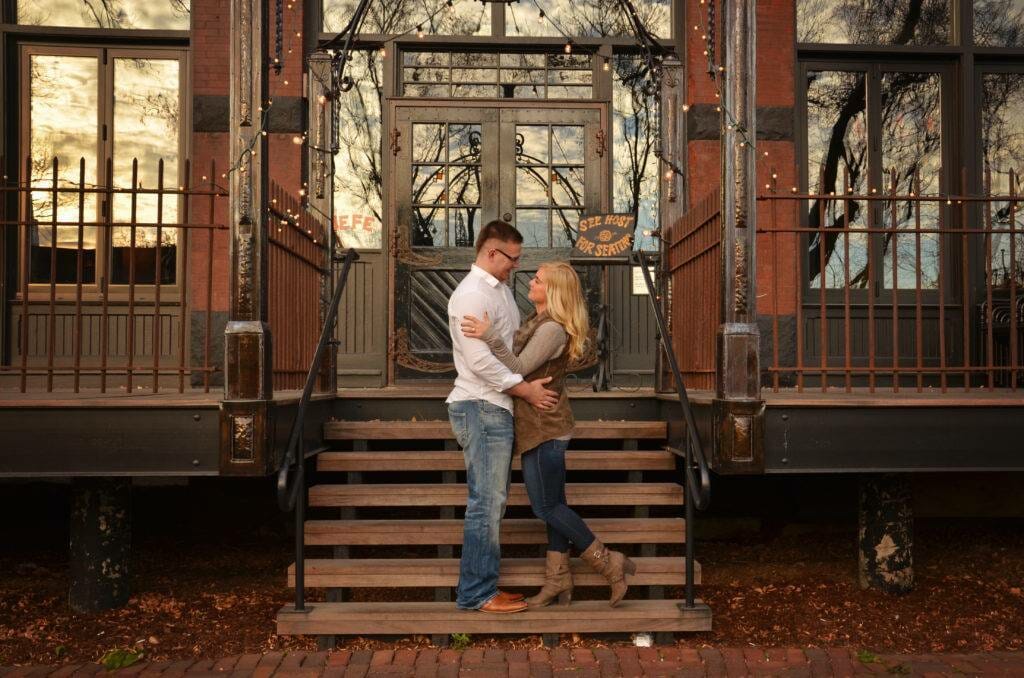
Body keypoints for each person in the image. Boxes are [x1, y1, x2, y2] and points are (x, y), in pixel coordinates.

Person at [461, 261, 637, 608]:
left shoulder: (552, 329)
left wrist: (488, 336)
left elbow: (518, 368)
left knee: (544, 506)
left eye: (538, 280)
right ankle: (557, 579)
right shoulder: (537, 321)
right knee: (555, 504)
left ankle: (609, 562)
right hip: (538, 425)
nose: (531, 283)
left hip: (545, 427)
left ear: (552, 291)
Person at [446, 220, 560, 614]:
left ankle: (483, 586)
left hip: (496, 407)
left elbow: (508, 347)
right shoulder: (471, 296)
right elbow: (479, 363)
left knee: (493, 501)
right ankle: (477, 593)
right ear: (492, 252)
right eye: (512, 258)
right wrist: (525, 389)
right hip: (480, 406)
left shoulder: (500, 293)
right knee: (486, 502)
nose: (516, 265)